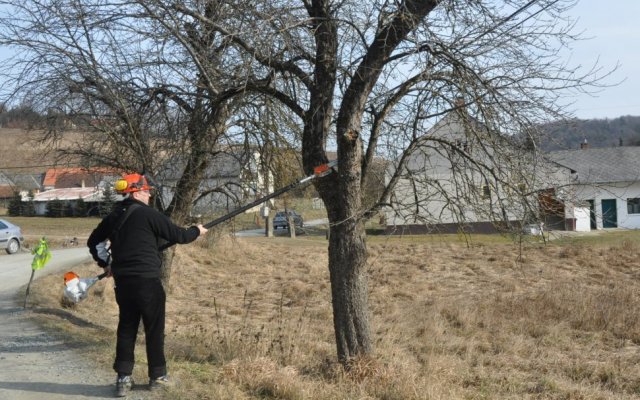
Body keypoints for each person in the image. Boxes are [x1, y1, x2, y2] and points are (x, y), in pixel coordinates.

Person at [87, 173, 207, 397]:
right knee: (154, 330)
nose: (150, 193)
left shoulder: (114, 216)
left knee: (126, 328)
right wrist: (197, 231)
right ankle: (158, 377)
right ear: (137, 191)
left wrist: (106, 263)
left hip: (123, 283)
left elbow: (93, 242)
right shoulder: (150, 215)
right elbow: (179, 236)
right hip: (147, 282)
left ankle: (123, 379)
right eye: (147, 189)